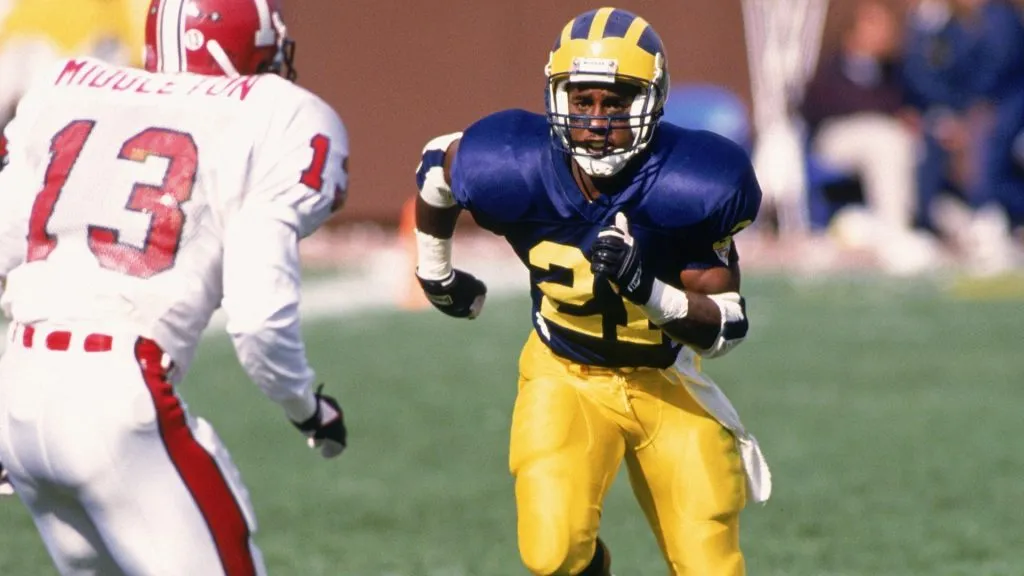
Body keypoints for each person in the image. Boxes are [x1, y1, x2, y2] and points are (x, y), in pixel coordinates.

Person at [412, 8, 770, 576]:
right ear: (559, 99)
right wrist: (435, 271)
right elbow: (437, 165)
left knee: (710, 563)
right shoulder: (510, 163)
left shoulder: (695, 181)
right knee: (553, 554)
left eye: (616, 101)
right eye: (583, 101)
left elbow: (727, 327)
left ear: (652, 101)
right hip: (565, 371)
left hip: (666, 377)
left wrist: (646, 289)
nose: (597, 120)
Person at [0, 0, 349, 573]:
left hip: (20, 391)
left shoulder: (70, 88)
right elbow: (259, 317)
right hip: (116, 394)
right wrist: (305, 406)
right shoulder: (275, 114)